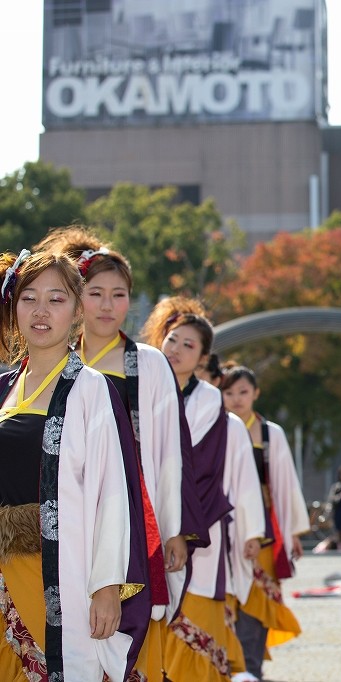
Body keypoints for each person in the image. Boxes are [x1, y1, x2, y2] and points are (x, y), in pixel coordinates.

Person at [34, 226, 208, 681]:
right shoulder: (54, 362)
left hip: (136, 513)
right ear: (76, 297)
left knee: (133, 631)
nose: (107, 305)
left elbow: (171, 451)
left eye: (119, 294)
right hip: (69, 513)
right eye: (95, 293)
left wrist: (175, 530)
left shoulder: (148, 362)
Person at [0, 249, 150, 681]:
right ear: (14, 306)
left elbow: (112, 494)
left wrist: (107, 587)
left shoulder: (91, 390)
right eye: (29, 298)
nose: (41, 312)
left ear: (77, 310)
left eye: (56, 299)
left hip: (64, 570)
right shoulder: (5, 387)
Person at [142, 298, 266, 682]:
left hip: (193, 525)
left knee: (195, 629)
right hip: (142, 519)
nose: (176, 350)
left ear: (203, 358)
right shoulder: (140, 385)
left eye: (188, 345)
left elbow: (198, 469)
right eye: (173, 340)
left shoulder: (210, 400)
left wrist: (251, 531)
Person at [220, 364, 308, 680]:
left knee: (256, 600)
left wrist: (292, 531)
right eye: (228, 392)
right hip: (225, 525)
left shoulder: (271, 433)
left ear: (256, 393)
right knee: (227, 596)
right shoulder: (217, 428)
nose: (236, 399)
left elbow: (285, 486)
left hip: (265, 531)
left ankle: (250, 668)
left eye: (243, 392)